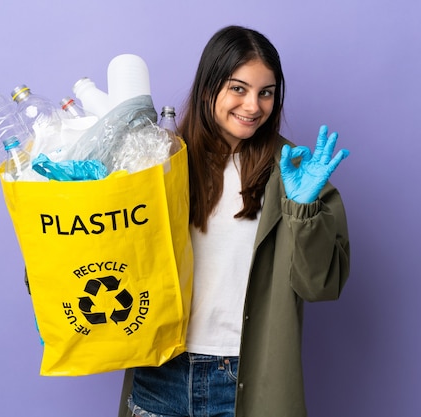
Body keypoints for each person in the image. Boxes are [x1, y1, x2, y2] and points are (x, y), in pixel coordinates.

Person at [118, 25, 350, 417]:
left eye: (266, 93)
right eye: (238, 88)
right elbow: (106, 240)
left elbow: (320, 286)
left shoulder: (295, 171)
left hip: (245, 377)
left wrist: (304, 212)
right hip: (159, 371)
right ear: (209, 87)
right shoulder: (158, 157)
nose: (253, 105)